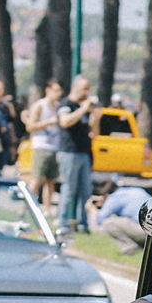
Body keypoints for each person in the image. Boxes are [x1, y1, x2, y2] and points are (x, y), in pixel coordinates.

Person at [55, 75, 96, 232]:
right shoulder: (67, 104)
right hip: (69, 152)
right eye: (84, 88)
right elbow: (65, 122)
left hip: (84, 152)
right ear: (75, 87)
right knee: (69, 189)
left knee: (86, 190)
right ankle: (63, 223)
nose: (86, 92)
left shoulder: (83, 108)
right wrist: (84, 109)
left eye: (88, 89)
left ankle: (82, 224)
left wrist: (94, 116)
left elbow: (93, 132)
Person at [22, 81, 60, 200]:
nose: (58, 94)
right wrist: (48, 122)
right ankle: (25, 206)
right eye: (56, 90)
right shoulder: (39, 105)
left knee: (51, 180)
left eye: (60, 91)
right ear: (48, 90)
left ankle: (47, 209)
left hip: (54, 146)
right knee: (37, 178)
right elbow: (30, 126)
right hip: (41, 145)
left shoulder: (58, 106)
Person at [92, 179, 151, 252]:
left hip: (143, 232)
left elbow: (99, 219)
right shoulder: (137, 190)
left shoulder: (114, 197)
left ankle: (130, 248)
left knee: (108, 222)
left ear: (106, 195)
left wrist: (92, 209)